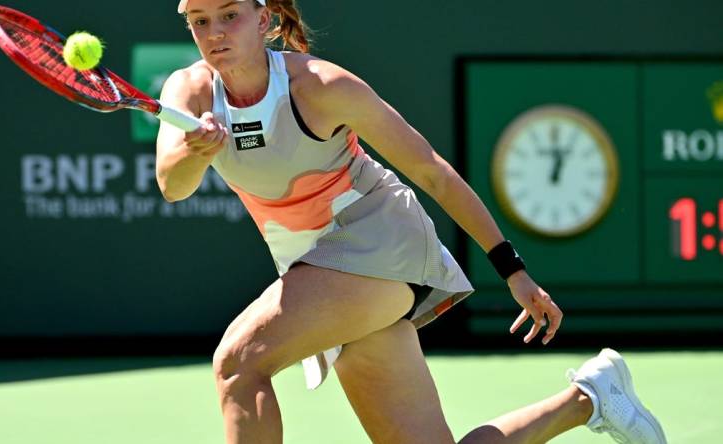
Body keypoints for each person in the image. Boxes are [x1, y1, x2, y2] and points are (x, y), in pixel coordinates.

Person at [156, 1, 667, 442]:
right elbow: (172, 185)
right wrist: (197, 152)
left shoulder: (320, 85)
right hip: (317, 267)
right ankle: (591, 398)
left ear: (263, 19)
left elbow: (431, 171)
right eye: (200, 21)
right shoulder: (190, 92)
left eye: (230, 16)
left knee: (238, 364)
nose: (215, 32)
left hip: (376, 239)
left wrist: (512, 269)